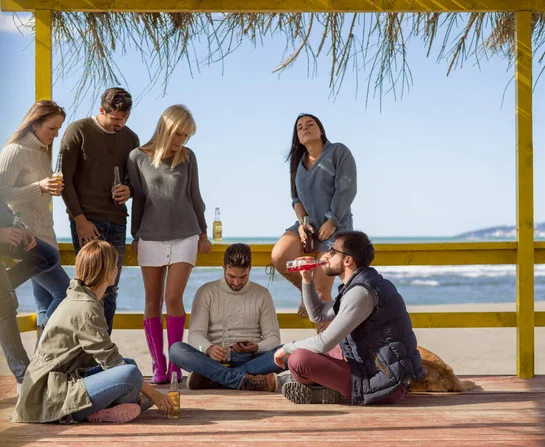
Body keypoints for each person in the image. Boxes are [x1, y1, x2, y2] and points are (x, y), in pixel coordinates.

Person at [11, 240, 175, 424]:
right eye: (114, 264)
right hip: (49, 394)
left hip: (67, 378)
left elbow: (110, 360)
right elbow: (113, 363)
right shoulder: (85, 308)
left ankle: (112, 408)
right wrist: (155, 394)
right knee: (130, 374)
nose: (116, 268)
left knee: (131, 366)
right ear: (105, 270)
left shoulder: (82, 296)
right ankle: (97, 411)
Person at [274, 231, 424, 405]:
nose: (326, 255)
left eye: (332, 251)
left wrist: (286, 348)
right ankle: (325, 389)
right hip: (370, 363)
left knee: (298, 360)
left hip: (384, 382)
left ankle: (326, 390)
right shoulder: (360, 284)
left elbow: (324, 342)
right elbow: (319, 315)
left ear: (347, 260)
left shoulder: (361, 293)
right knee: (309, 353)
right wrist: (307, 279)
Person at [127, 104, 211, 384]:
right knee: (152, 299)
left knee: (173, 298)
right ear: (165, 127)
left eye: (186, 136)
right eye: (178, 134)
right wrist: (135, 234)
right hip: (149, 235)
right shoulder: (137, 157)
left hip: (186, 234)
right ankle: (158, 364)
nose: (181, 141)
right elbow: (138, 198)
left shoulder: (189, 158)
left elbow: (195, 196)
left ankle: (175, 363)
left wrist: (203, 232)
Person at [60, 87, 139, 333]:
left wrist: (129, 191)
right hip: (86, 221)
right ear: (101, 110)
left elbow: (135, 182)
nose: (120, 124)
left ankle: (103, 352)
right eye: (116, 119)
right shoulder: (78, 130)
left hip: (117, 221)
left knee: (111, 288)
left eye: (125, 118)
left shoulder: (131, 139)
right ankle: (83, 354)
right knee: (88, 289)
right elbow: (64, 179)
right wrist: (79, 220)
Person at [271, 113, 357, 319]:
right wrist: (302, 223)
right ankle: (304, 288)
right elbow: (296, 199)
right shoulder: (297, 163)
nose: (305, 128)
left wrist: (333, 221)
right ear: (297, 138)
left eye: (310, 124)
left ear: (321, 130)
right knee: (279, 256)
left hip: (335, 228)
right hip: (307, 228)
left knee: (321, 292)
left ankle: (326, 349)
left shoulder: (338, 152)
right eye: (299, 127)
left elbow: (347, 188)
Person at [169, 243, 283, 392]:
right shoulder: (206, 292)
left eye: (242, 277)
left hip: (251, 358)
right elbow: (195, 335)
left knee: (288, 352)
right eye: (231, 276)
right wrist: (209, 349)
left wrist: (256, 347)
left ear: (250, 269)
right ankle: (244, 380)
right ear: (224, 267)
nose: (236, 283)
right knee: (176, 350)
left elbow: (274, 338)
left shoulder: (262, 294)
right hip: (214, 359)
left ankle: (212, 379)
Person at [0, 100, 70, 330]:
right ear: (34, 124)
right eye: (52, 128)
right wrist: (39, 187)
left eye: (59, 128)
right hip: (28, 236)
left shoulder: (42, 153)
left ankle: (44, 362)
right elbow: (2, 193)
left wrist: (48, 189)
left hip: (46, 233)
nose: (56, 134)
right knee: (65, 293)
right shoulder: (14, 151)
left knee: (45, 304)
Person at [0, 200, 62, 394]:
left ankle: (3, 289)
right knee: (5, 306)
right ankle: (24, 378)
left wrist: (22, 227)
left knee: (47, 256)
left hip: (7, 236)